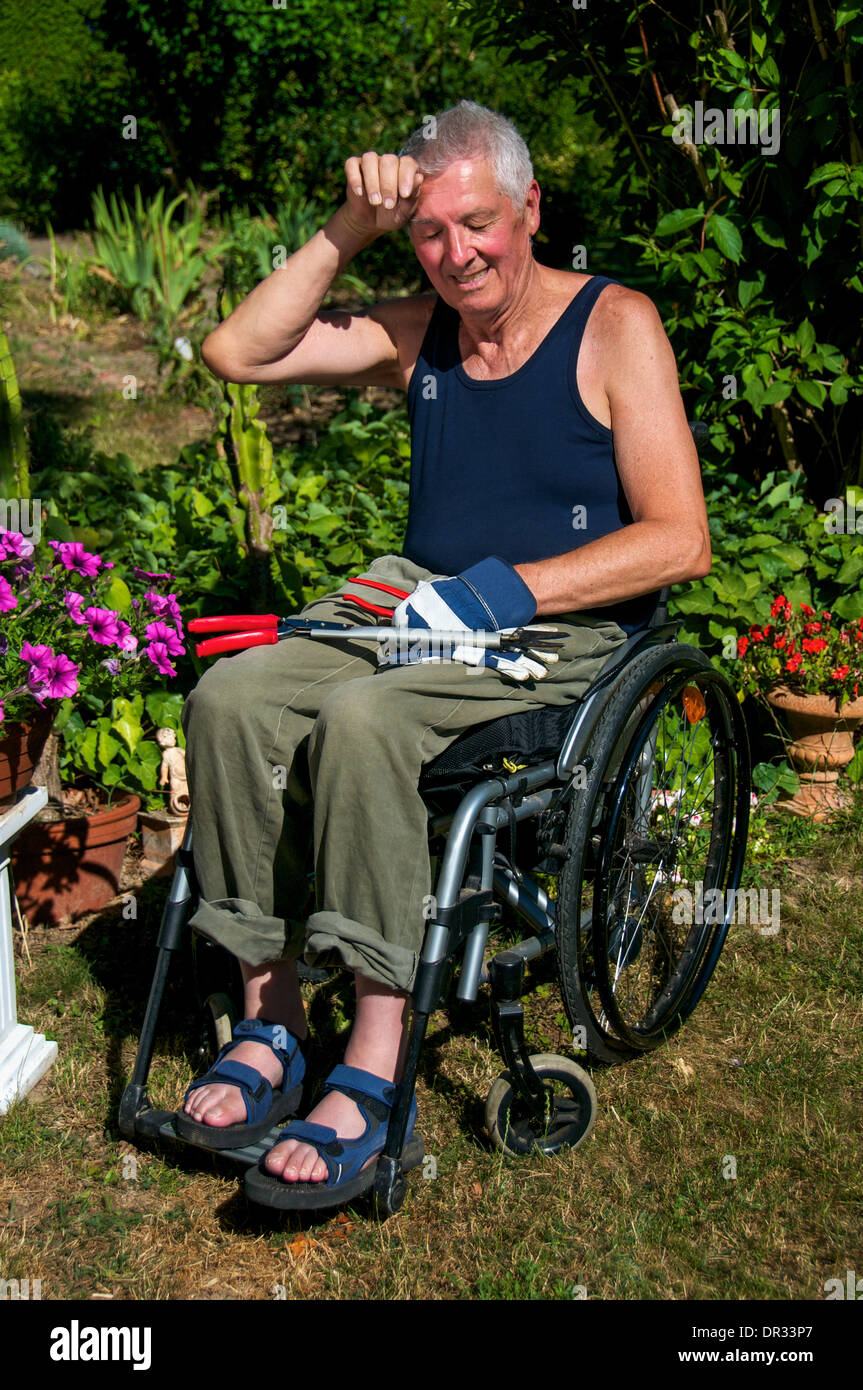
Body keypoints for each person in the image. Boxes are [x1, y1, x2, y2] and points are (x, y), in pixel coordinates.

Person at [176, 100, 711, 1207]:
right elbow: (236, 351)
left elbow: (678, 538)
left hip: (553, 627)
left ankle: (373, 1060)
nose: (456, 253)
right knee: (232, 695)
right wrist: (344, 229)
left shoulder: (614, 326)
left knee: (366, 721)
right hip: (412, 603)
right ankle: (272, 1018)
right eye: (428, 232)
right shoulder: (422, 329)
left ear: (528, 210)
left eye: (477, 223)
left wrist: (502, 589)